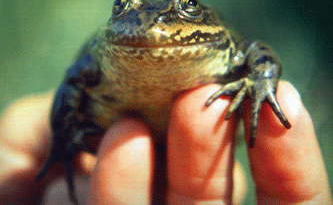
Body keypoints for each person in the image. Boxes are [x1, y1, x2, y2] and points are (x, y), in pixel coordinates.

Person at [0, 81, 331, 204]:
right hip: (102, 142)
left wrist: (260, 80)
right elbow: (73, 79)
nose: (154, 26)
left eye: (186, 8)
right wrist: (59, 141)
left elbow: (254, 51)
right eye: (123, 10)